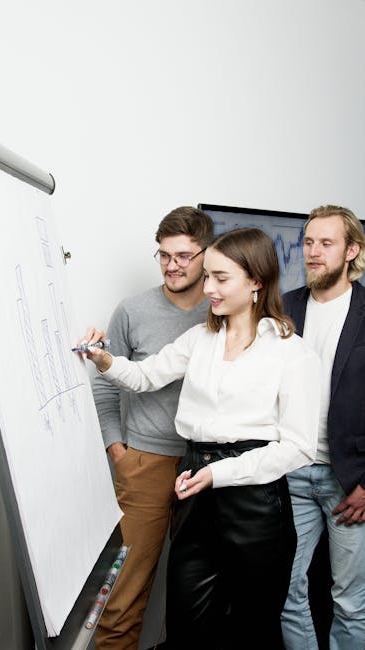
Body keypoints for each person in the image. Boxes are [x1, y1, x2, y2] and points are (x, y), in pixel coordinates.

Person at [80, 227, 321, 650]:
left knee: (251, 631)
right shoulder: (200, 339)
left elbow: (298, 447)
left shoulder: (293, 353)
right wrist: (104, 360)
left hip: (255, 506)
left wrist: (218, 473)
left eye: (220, 278)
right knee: (187, 628)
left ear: (256, 282)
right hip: (193, 489)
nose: (207, 287)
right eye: (206, 275)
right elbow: (144, 376)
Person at [92, 206, 214, 650]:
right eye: (164, 255)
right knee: (124, 591)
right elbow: (106, 383)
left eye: (183, 256)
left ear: (207, 255)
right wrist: (116, 448)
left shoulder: (221, 312)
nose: (172, 265)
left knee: (198, 590)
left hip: (207, 464)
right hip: (143, 462)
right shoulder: (132, 310)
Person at [281, 205, 365, 650]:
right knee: (285, 590)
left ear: (352, 250)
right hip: (291, 471)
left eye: (326, 243)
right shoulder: (285, 306)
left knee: (350, 601)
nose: (313, 252)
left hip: (349, 481)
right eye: (308, 242)